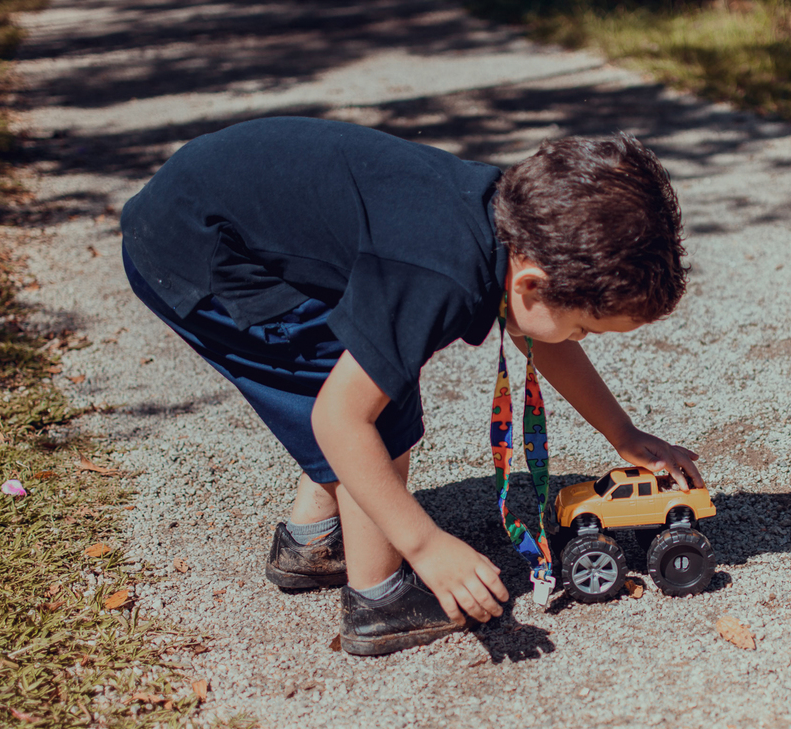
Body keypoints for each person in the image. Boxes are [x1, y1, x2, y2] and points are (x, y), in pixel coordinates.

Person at [121, 116, 703, 655]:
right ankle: (380, 598)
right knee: (375, 411)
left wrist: (622, 433)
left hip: (216, 208)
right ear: (529, 284)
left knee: (362, 372)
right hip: (202, 253)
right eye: (583, 326)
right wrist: (426, 546)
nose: (578, 338)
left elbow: (544, 335)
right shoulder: (439, 275)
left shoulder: (514, 223)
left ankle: (313, 540)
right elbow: (339, 419)